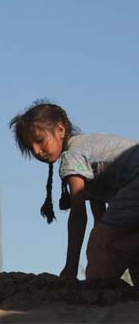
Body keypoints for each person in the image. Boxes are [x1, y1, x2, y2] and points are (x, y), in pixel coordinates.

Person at [10, 100, 139, 282]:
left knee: (102, 245)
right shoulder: (89, 151)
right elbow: (100, 218)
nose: (37, 151)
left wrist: (70, 269)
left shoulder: (73, 155)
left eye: (40, 141)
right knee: (126, 240)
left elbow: (79, 216)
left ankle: (97, 292)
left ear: (60, 130)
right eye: (31, 148)